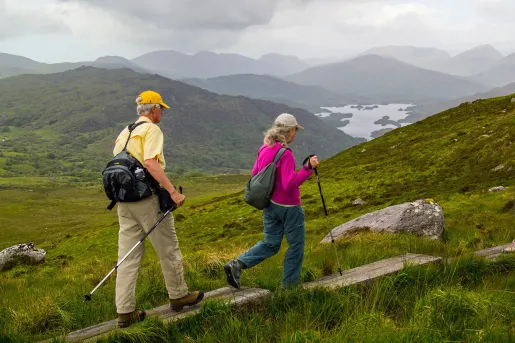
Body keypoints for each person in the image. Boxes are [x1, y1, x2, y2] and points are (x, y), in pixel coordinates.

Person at [113, 90, 203, 328]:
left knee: (127, 257)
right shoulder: (151, 130)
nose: (162, 112)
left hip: (124, 202)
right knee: (168, 249)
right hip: (146, 200)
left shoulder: (126, 131)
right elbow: (151, 162)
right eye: (161, 108)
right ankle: (178, 295)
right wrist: (173, 192)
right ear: (153, 109)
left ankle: (124, 312)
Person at [224, 113, 319, 289]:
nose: (295, 134)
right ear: (290, 131)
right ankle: (289, 288)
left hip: (269, 206)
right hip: (289, 207)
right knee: (296, 246)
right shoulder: (286, 154)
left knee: (271, 243)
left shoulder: (264, 149)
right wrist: (308, 169)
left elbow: (255, 176)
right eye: (295, 130)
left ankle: (237, 264)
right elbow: (289, 184)